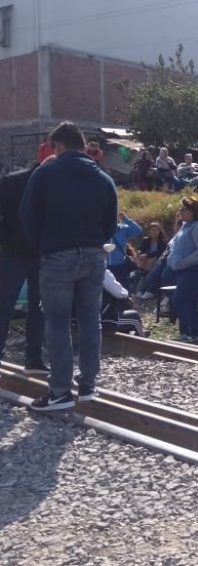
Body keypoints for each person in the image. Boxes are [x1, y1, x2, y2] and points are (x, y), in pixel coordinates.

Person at [20, 121, 118, 411]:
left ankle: (60, 391)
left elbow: (28, 215)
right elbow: (110, 223)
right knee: (90, 320)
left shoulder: (45, 173)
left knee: (57, 321)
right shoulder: (103, 178)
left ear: (58, 146)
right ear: (83, 145)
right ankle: (88, 385)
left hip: (57, 255)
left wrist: (43, 245)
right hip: (93, 255)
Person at [0, 162, 45, 374]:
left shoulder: (10, 180)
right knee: (38, 308)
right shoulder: (51, 181)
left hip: (14, 252)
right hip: (40, 253)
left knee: (4, 305)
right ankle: (34, 358)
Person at [167, 197, 198, 342]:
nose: (181, 212)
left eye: (184, 210)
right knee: (190, 300)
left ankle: (185, 332)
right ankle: (193, 333)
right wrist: (172, 259)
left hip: (196, 269)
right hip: (182, 270)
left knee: (179, 298)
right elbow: (175, 244)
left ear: (193, 211)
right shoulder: (186, 226)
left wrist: (183, 262)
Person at [101, 268, 145, 337]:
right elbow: (120, 293)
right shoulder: (101, 271)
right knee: (134, 317)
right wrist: (127, 297)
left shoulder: (79, 270)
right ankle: (143, 342)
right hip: (102, 321)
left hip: (80, 321)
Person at [107, 212, 143, 291]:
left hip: (120, 265)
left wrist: (125, 219)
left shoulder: (123, 228)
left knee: (124, 289)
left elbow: (138, 230)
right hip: (105, 267)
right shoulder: (101, 230)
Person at [132, 222, 167, 294]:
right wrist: (140, 255)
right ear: (149, 231)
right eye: (153, 230)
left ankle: (145, 290)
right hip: (146, 260)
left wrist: (147, 255)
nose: (155, 232)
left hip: (157, 261)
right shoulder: (146, 240)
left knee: (149, 271)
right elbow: (141, 250)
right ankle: (134, 291)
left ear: (159, 231)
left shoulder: (162, 241)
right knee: (138, 272)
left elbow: (159, 252)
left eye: (157, 230)